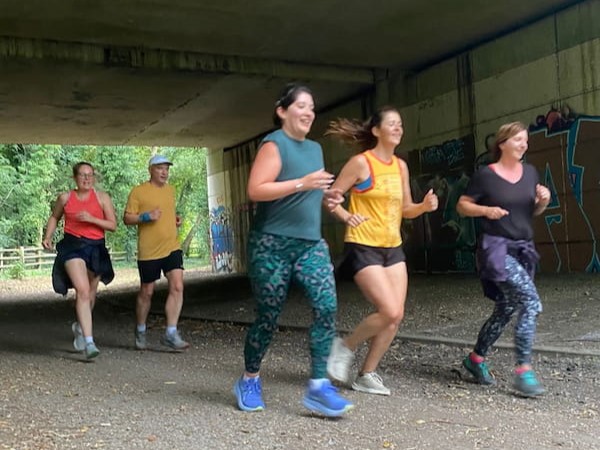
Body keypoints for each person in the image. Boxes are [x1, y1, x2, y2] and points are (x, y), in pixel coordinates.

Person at [233, 83, 353, 417]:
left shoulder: (315, 149)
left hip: (310, 244)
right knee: (269, 315)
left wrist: (330, 199)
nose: (309, 112)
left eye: (312, 107)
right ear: (282, 110)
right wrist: (304, 183)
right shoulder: (274, 144)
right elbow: (257, 190)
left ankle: (317, 387)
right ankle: (249, 378)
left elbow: (313, 191)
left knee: (326, 306)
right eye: (301, 106)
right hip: (270, 244)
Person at [325, 106, 438, 395]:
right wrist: (345, 216)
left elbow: (406, 210)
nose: (398, 128)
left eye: (400, 124)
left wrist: (423, 207)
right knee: (388, 309)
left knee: (396, 315)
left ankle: (367, 374)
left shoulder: (400, 165)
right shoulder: (361, 163)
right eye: (392, 123)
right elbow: (332, 199)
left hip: (392, 247)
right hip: (363, 245)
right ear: (376, 130)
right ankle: (344, 347)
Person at [456, 121, 550, 397]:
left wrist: (542, 201)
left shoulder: (530, 173)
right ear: (503, 144)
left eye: (526, 140)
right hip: (496, 250)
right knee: (531, 303)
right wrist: (486, 210)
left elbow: (531, 212)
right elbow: (462, 206)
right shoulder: (486, 175)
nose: (524, 144)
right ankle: (523, 371)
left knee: (506, 309)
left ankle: (475, 360)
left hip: (522, 249)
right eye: (518, 139)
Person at [42, 162, 117, 360]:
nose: (86, 178)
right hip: (72, 246)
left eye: (90, 175)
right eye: (82, 175)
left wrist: (91, 219)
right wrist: (47, 236)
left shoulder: (102, 198)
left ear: (94, 177)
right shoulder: (65, 198)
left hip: (96, 247)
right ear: (75, 177)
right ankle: (90, 342)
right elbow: (54, 217)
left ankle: (79, 327)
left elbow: (112, 225)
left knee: (90, 295)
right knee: (82, 291)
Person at [123, 155, 189, 351]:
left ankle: (171, 332)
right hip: (149, 251)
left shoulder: (170, 190)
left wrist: (174, 219)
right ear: (151, 169)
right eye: (160, 168)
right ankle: (141, 329)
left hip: (172, 246)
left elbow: (167, 213)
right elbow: (127, 218)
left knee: (177, 286)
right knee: (147, 292)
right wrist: (146, 216)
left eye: (166, 169)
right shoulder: (138, 192)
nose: (164, 172)